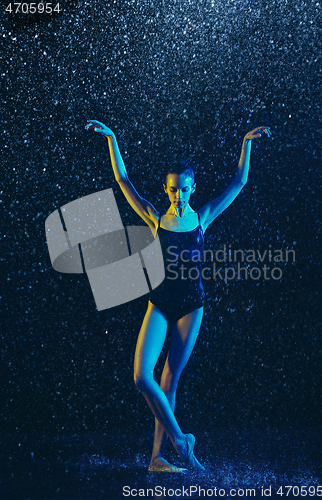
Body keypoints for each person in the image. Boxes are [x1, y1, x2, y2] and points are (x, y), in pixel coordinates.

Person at [85, 120, 271, 472]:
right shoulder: (155, 217)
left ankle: (157, 458)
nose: (177, 196)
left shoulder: (202, 217)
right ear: (166, 189)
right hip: (160, 302)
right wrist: (112, 138)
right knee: (142, 377)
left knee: (169, 382)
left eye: (183, 190)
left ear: (192, 187)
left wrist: (246, 143)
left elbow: (239, 182)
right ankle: (182, 441)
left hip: (191, 307)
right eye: (172, 190)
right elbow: (124, 182)